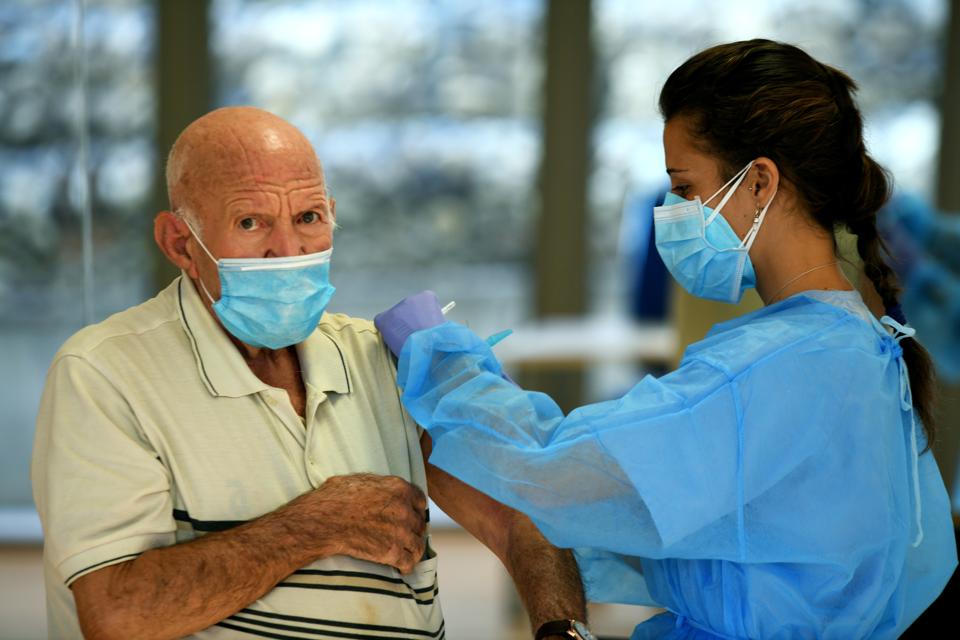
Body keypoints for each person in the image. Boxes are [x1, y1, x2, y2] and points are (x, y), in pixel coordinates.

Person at [374, 40, 958, 639]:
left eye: (684, 187)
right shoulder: (859, 344)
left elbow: (559, 469)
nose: (674, 210)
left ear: (759, 181)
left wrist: (439, 361)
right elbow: (709, 532)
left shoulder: (777, 365)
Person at [31, 106, 587, 640]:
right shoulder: (105, 373)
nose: (288, 250)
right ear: (180, 243)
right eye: (251, 222)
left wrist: (561, 628)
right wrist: (317, 525)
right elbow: (117, 613)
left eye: (308, 218)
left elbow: (518, 513)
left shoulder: (380, 356)